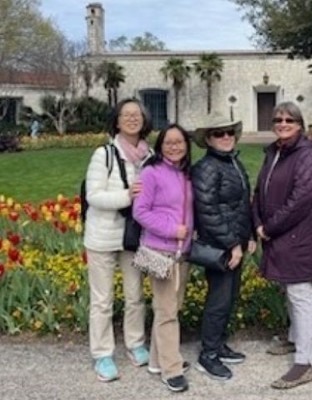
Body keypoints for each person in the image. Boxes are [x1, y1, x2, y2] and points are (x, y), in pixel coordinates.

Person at [252, 101, 312, 389]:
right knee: (289, 289)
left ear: (300, 125)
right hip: (278, 234)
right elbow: (259, 191)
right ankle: (295, 339)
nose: (282, 123)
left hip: (298, 235)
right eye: (278, 119)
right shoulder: (275, 152)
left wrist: (269, 227)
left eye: (289, 120)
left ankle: (305, 363)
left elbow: (301, 200)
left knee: (300, 293)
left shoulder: (306, 156)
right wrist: (257, 220)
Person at [83, 98, 152, 382]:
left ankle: (135, 344)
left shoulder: (150, 154)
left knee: (135, 295)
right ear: (117, 121)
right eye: (126, 114)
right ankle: (102, 353)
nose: (132, 119)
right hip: (103, 235)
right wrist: (127, 197)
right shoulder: (105, 154)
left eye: (137, 114)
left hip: (134, 236)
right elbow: (93, 195)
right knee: (102, 299)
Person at [191, 114, 256, 381]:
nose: (226, 137)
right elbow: (207, 211)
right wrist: (232, 245)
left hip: (235, 243)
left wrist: (249, 236)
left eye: (230, 132)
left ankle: (218, 344)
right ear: (208, 139)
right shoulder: (206, 168)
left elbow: (242, 205)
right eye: (219, 134)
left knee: (229, 297)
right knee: (218, 300)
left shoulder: (232, 162)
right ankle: (208, 355)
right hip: (219, 247)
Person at [133, 123, 193, 392]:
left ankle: (159, 360)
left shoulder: (185, 174)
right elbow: (141, 212)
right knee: (167, 310)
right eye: (169, 142)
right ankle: (171, 369)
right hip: (160, 250)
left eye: (179, 142)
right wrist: (172, 230)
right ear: (160, 146)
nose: (174, 146)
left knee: (171, 308)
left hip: (184, 252)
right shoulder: (151, 173)